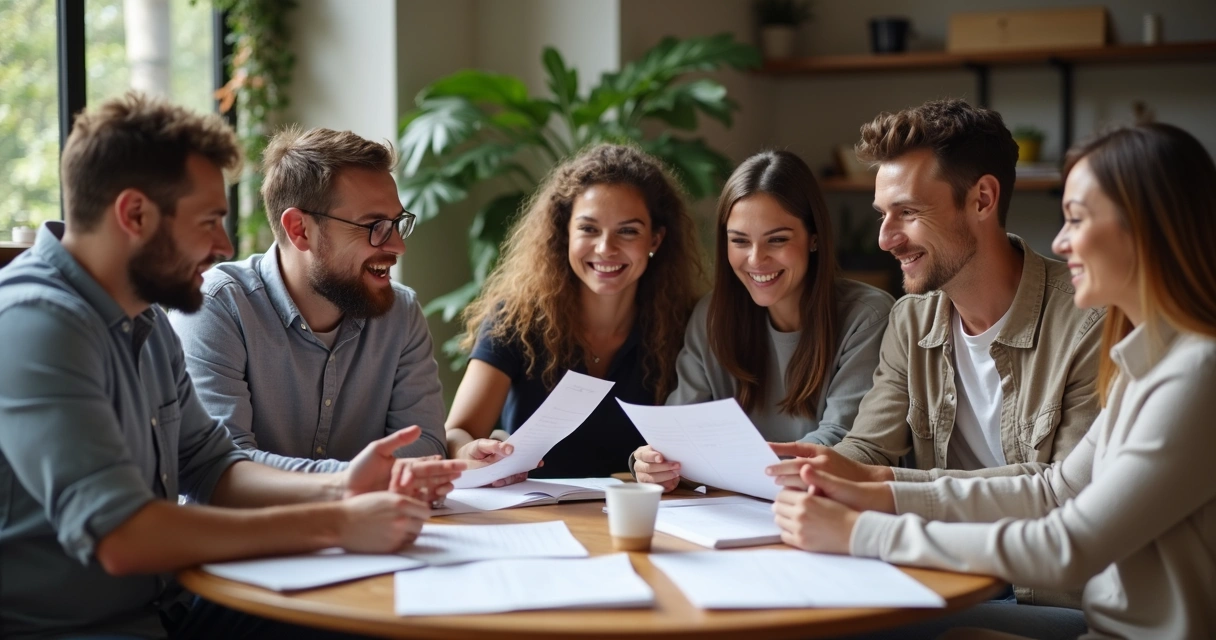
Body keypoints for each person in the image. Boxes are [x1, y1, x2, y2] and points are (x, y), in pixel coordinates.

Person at [0, 93, 463, 639]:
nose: (223, 244)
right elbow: (122, 535)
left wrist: (341, 487)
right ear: (135, 215)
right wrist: (336, 522)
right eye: (208, 221)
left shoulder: (143, 318)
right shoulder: (36, 323)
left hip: (172, 609)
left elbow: (214, 466)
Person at [772, 122, 1216, 639]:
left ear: (1148, 227)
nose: (1061, 240)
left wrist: (863, 532)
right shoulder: (1150, 362)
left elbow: (1068, 545)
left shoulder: (1196, 373)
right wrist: (881, 486)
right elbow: (1056, 488)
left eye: (1076, 218)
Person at [169, 126, 448, 471]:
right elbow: (220, 467)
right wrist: (350, 480)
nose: (397, 246)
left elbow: (426, 445)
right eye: (374, 226)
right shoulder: (217, 306)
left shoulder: (400, 313)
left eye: (396, 223)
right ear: (300, 230)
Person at [631, 150, 895, 491]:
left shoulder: (868, 316)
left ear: (814, 237)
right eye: (739, 240)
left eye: (778, 240)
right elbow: (681, 435)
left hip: (821, 508)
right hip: (729, 511)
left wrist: (717, 464)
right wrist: (655, 463)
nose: (757, 259)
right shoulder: (711, 316)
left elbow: (841, 445)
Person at [445, 144, 706, 480]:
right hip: (531, 518)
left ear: (655, 240)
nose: (605, 248)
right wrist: (470, 452)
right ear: (564, 232)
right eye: (588, 229)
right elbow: (457, 433)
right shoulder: (515, 319)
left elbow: (698, 455)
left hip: (640, 517)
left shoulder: (686, 327)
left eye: (628, 231)